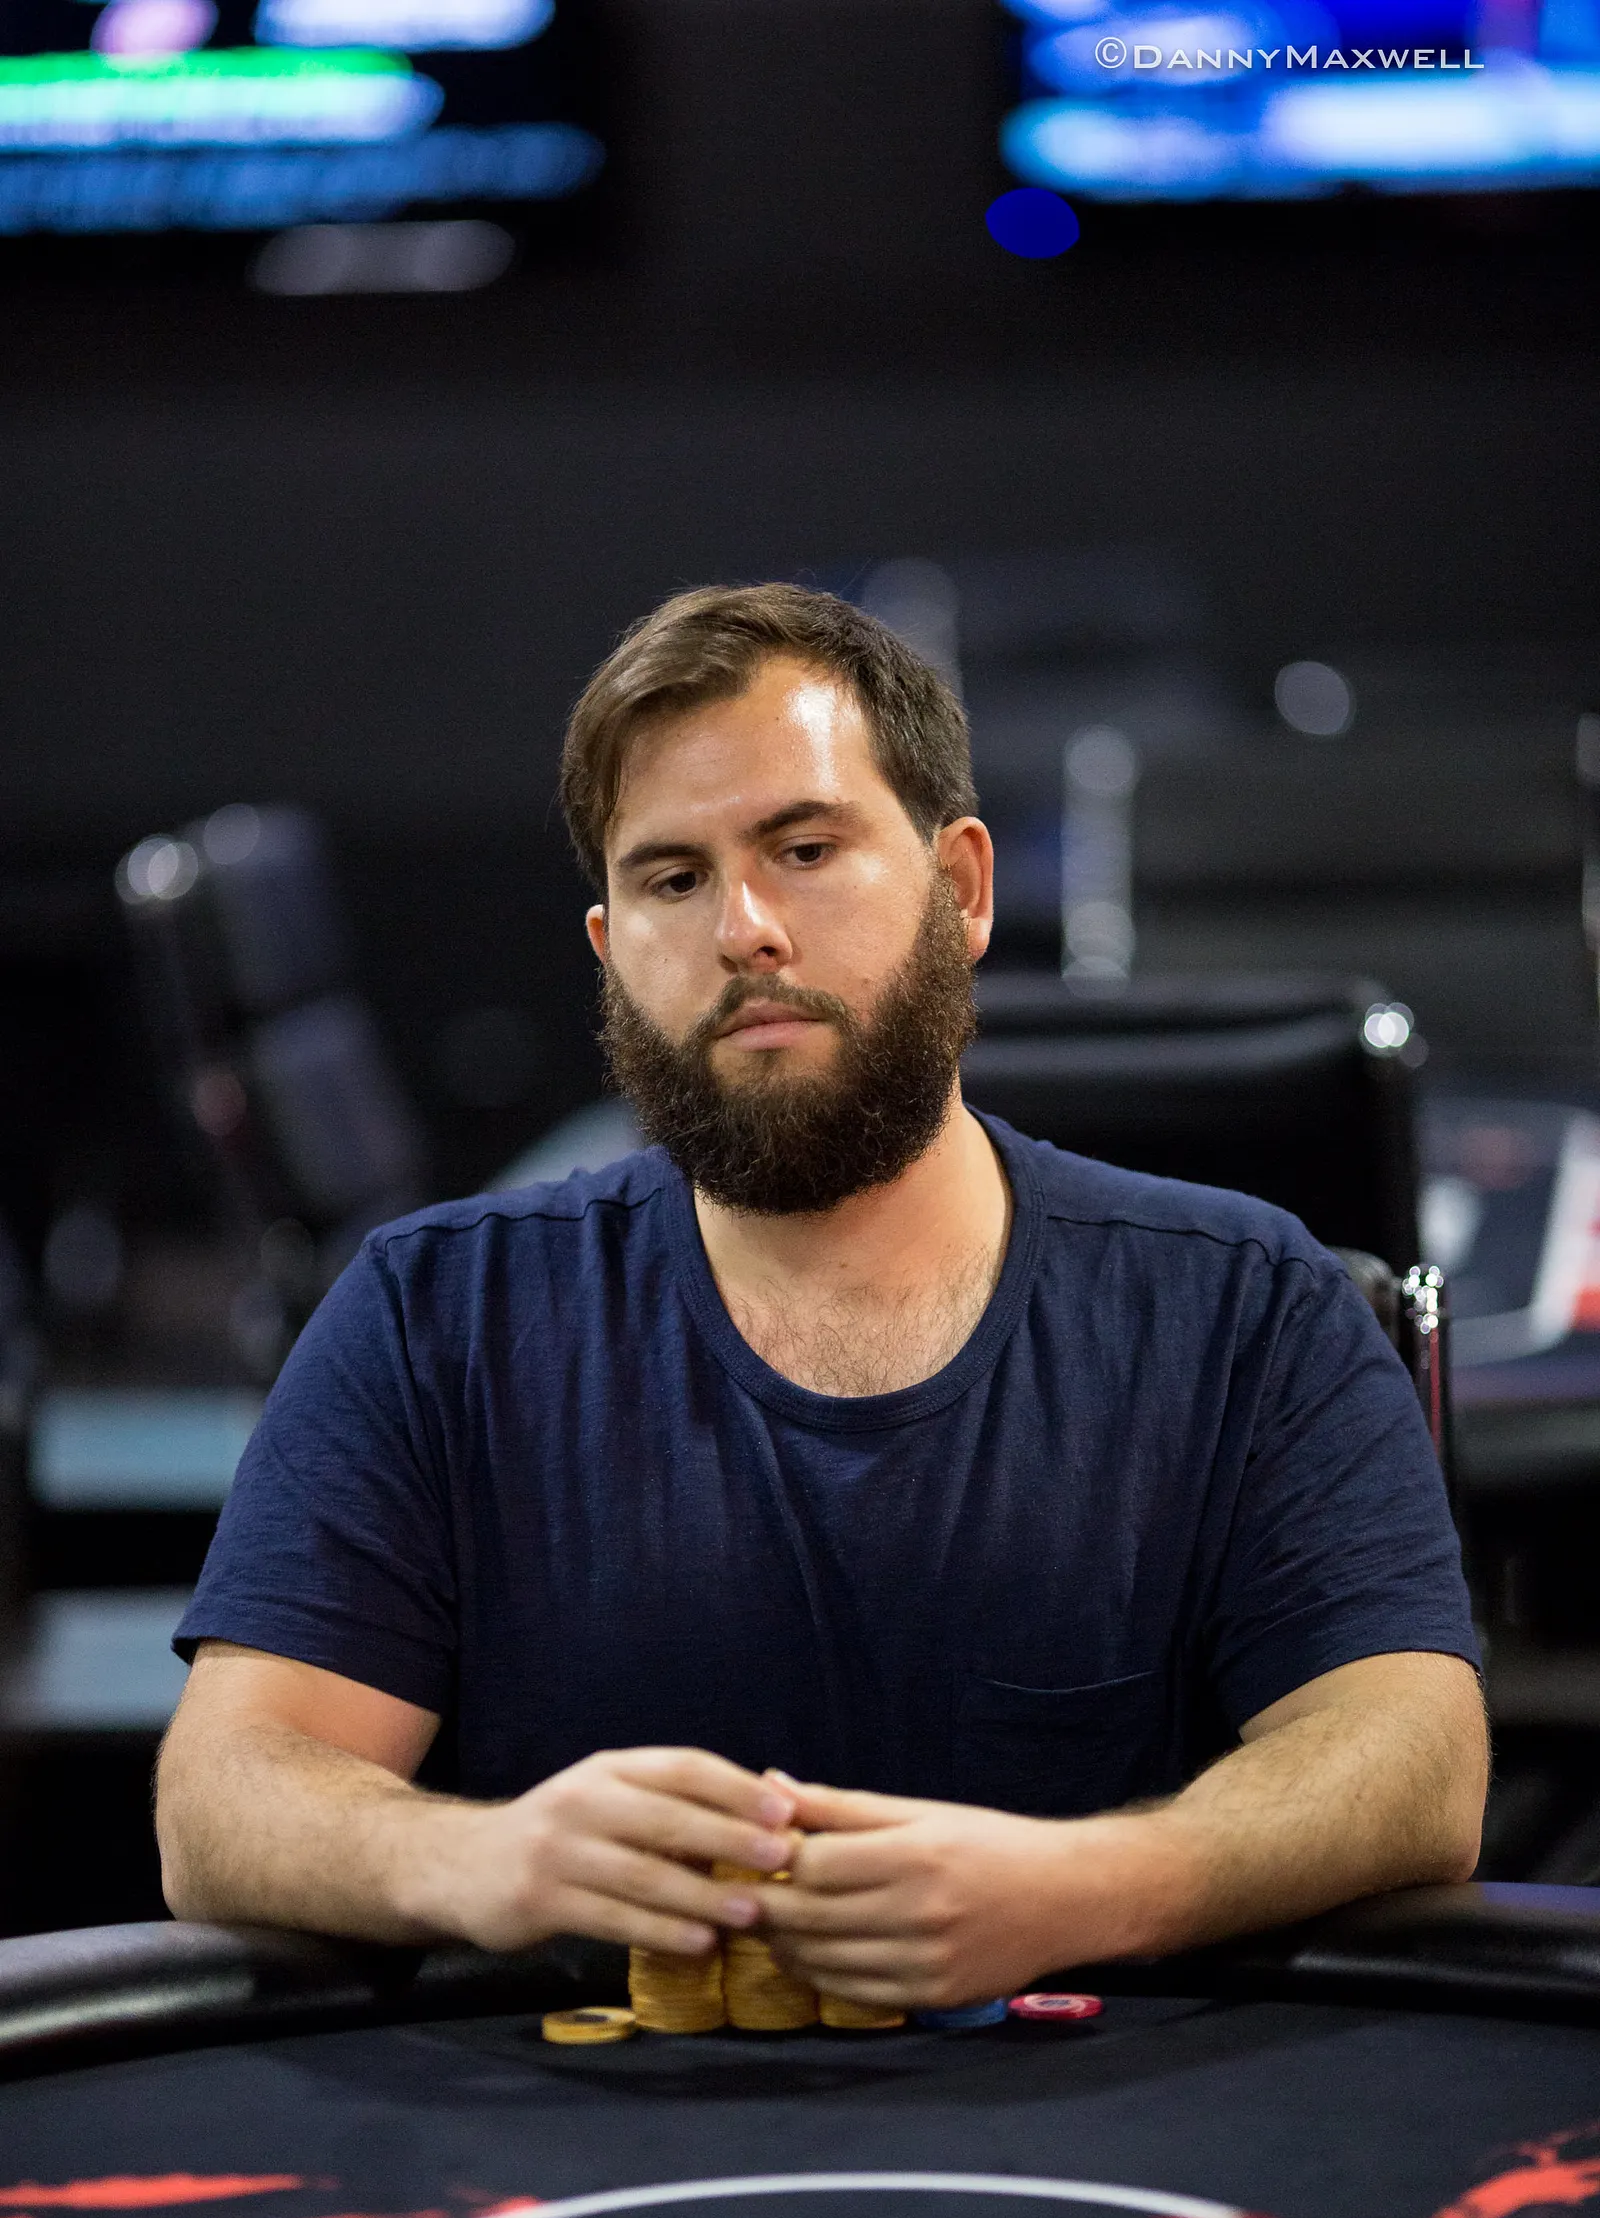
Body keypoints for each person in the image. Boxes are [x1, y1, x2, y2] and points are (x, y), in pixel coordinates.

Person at [156, 583, 1486, 2012]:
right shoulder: (434, 1318)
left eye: (804, 850)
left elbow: (1416, 1755)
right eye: (673, 879)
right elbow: (223, 1796)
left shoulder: (1245, 1307)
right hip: (578, 2126)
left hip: (1099, 2113)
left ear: (962, 888)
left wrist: (1089, 1885)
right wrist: (478, 1858)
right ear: (609, 948)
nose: (745, 930)